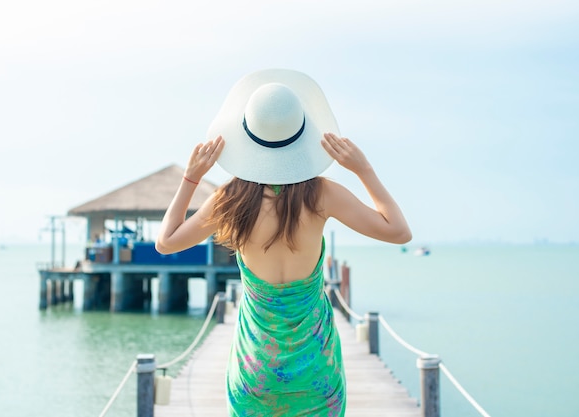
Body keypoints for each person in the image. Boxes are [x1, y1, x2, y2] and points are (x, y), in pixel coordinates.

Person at [156, 69, 411, 417]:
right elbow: (399, 231)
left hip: (255, 369)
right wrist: (363, 169)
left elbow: (166, 242)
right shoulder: (322, 194)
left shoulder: (229, 200)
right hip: (316, 367)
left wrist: (191, 178)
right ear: (301, 135)